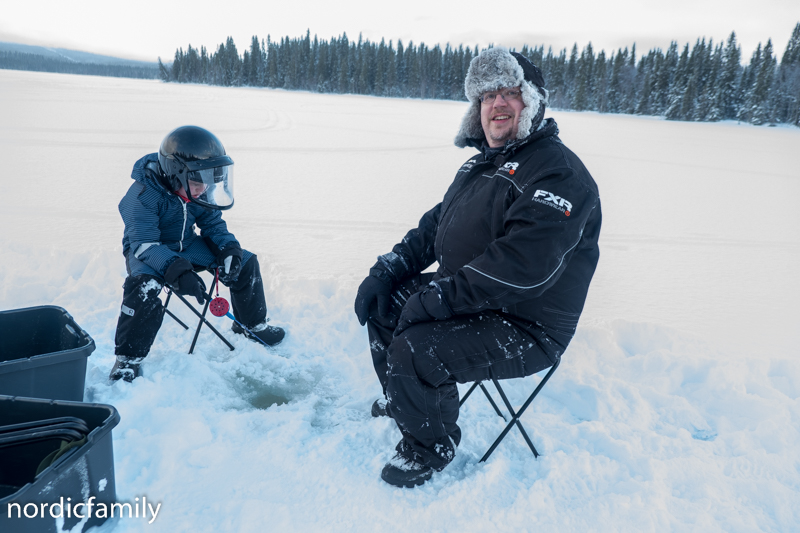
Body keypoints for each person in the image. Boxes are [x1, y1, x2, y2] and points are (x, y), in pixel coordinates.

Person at [354, 47, 602, 488]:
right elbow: (436, 225)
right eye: (488, 96)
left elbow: (522, 267)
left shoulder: (558, 174)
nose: (498, 104)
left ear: (534, 102)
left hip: (527, 325)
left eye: (511, 93)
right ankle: (406, 398)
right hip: (474, 300)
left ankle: (428, 447)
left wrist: (434, 301)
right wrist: (388, 269)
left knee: (417, 346)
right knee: (387, 301)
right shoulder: (481, 164)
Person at [111, 125, 285, 382]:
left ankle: (252, 325)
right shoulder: (141, 196)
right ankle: (127, 359)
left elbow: (213, 225)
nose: (203, 189)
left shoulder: (197, 187)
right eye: (196, 183)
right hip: (147, 251)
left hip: (187, 244)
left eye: (208, 182)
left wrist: (229, 249)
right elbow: (145, 244)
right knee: (143, 286)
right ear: (175, 175)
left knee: (246, 261)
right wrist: (177, 271)